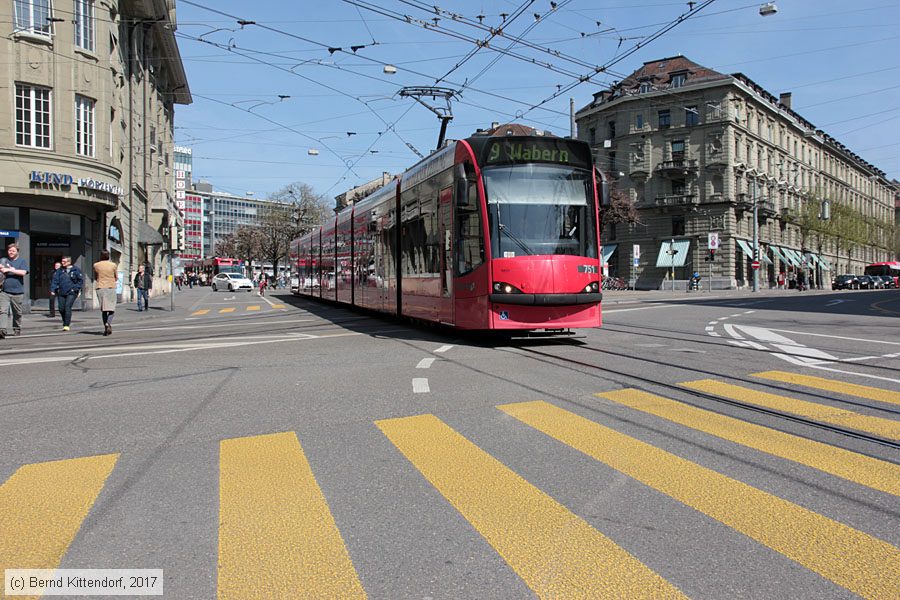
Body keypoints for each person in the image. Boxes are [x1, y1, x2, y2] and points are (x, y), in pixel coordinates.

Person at [0, 243, 29, 338]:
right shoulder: (4, 260)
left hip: (18, 292)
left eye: (13, 251)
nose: (11, 252)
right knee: (2, 311)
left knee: (17, 313)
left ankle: (17, 328)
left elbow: (23, 272)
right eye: (9, 250)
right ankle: (2, 330)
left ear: (17, 252)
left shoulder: (22, 261)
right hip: (4, 291)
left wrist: (10, 270)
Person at [50, 256, 83, 331]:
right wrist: (53, 289)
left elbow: (80, 281)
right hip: (61, 291)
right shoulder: (59, 271)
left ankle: (66, 324)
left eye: (64, 261)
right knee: (61, 308)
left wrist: (75, 289)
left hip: (71, 292)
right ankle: (65, 320)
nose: (62, 263)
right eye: (62, 261)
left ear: (69, 262)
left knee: (67, 306)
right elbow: (55, 280)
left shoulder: (76, 270)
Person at [94, 250, 118, 336]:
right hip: (110, 287)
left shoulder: (96, 265)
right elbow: (116, 277)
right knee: (111, 309)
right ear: (108, 256)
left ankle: (105, 326)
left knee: (104, 309)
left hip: (100, 287)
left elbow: (96, 276)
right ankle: (108, 323)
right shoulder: (113, 265)